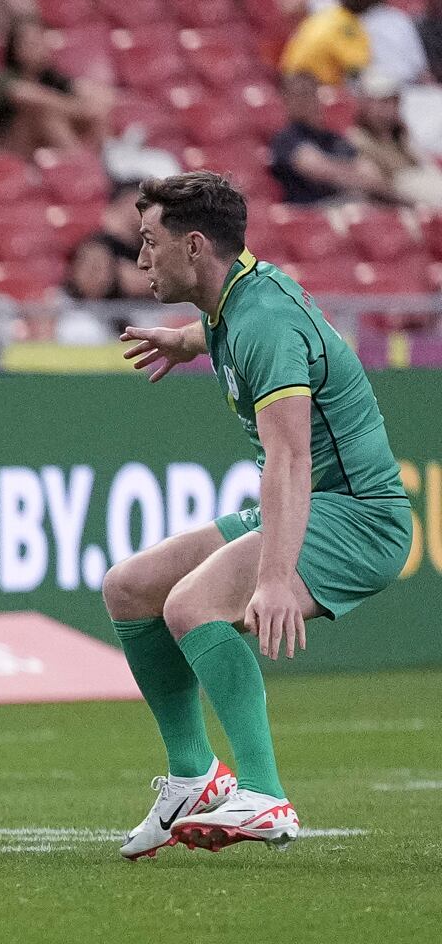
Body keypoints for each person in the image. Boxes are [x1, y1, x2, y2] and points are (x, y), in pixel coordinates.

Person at [110, 171, 411, 855]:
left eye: (151, 242)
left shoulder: (264, 321)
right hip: (321, 503)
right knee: (130, 587)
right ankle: (193, 775)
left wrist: (274, 576)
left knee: (192, 605)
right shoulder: (233, 303)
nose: (141, 260)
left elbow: (291, 460)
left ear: (193, 246)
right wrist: (183, 340)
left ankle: (266, 794)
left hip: (356, 516)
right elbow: (220, 333)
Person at [269, 72, 393, 203]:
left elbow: (370, 171)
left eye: (310, 93)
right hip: (313, 209)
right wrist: (357, 177)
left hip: (351, 200)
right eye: (298, 95)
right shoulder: (287, 138)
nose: (306, 100)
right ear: (286, 100)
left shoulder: (333, 138)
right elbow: (320, 170)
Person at [0, 20, 113, 156]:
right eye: (32, 43)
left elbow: (96, 92)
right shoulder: (6, 77)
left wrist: (91, 106)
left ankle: (107, 162)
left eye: (42, 41)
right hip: (12, 148)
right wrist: (78, 109)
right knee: (46, 113)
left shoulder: (51, 77)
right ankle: (79, 163)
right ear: (16, 50)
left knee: (97, 112)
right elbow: (25, 95)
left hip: (43, 144)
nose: (40, 47)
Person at [347, 72, 442, 206]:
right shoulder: (357, 139)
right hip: (402, 193)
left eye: (394, 101)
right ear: (366, 104)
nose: (389, 108)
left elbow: (423, 164)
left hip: (425, 182)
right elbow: (372, 180)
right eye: (383, 102)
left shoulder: (400, 133)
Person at [280, 0, 379, 86]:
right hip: (310, 85)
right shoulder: (348, 26)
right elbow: (357, 68)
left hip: (289, 80)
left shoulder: (325, 13)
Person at [55, 234, 138, 342]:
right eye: (92, 268)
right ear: (73, 270)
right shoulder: (55, 307)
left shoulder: (128, 310)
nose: (99, 276)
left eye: (104, 268)